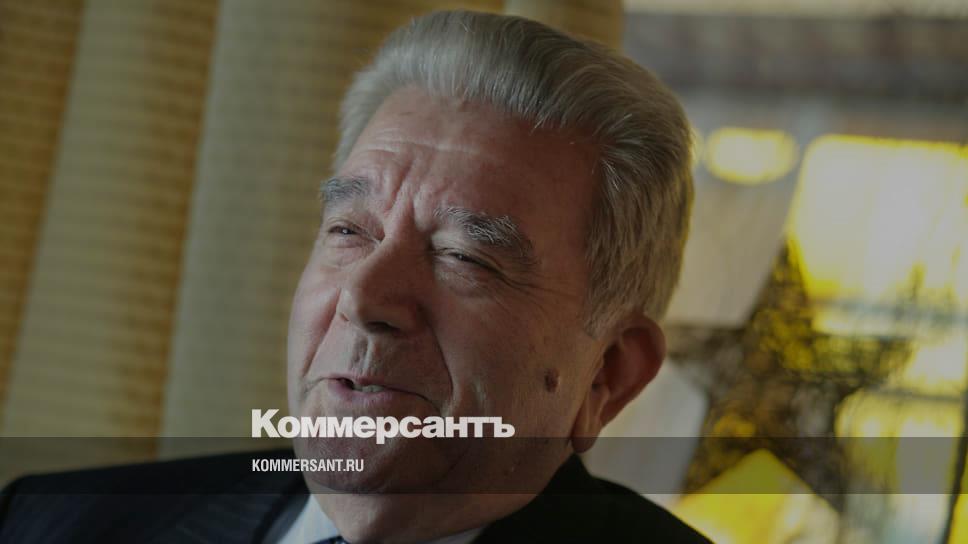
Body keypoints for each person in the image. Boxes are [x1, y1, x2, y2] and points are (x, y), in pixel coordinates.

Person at [0, 10, 709, 543]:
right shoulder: (53, 521)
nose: (364, 298)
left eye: (465, 256)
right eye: (349, 232)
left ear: (607, 375)